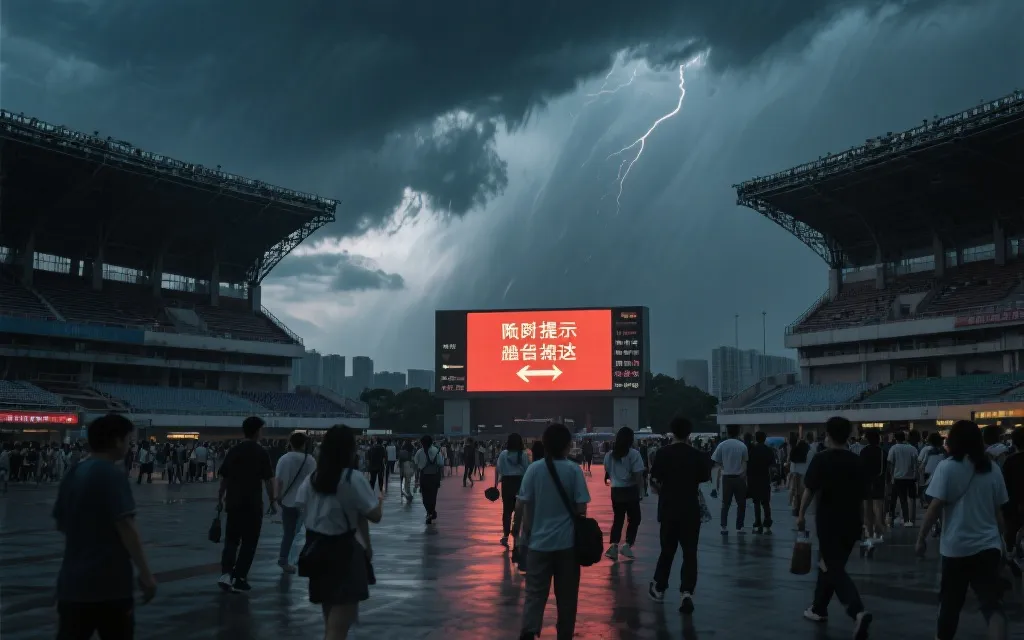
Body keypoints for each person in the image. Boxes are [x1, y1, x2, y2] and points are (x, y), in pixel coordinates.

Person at [54, 413, 156, 639]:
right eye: (129, 440)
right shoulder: (111, 474)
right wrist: (146, 574)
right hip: (109, 585)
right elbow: (126, 527)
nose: (130, 446)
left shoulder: (73, 473)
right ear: (117, 441)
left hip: (71, 584)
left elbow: (62, 523)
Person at [917, 420, 1009, 640]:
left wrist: (921, 537)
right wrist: (1003, 541)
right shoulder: (992, 469)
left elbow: (935, 507)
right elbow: (998, 513)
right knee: (992, 605)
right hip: (988, 546)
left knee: (950, 603)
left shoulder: (947, 468)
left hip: (956, 548)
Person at [295, 426, 384, 640]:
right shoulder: (351, 478)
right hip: (343, 551)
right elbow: (374, 515)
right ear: (350, 450)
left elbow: (300, 506)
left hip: (316, 549)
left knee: (330, 618)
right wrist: (378, 500)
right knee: (340, 624)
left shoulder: (313, 479)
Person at [798, 416, 872, 639]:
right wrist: (868, 523)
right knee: (829, 564)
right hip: (852, 522)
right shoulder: (857, 461)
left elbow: (809, 489)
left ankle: (857, 610)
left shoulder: (821, 459)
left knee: (833, 567)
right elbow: (865, 497)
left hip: (828, 520)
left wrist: (800, 514)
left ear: (827, 434)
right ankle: (818, 608)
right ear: (849, 435)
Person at [518, 423, 590, 640]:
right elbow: (581, 507)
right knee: (567, 597)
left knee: (534, 594)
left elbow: (526, 507)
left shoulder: (534, 469)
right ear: (568, 445)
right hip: (567, 545)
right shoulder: (573, 470)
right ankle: (564, 634)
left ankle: (529, 631)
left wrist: (525, 536)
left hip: (538, 544)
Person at [648, 416, 711, 613]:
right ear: (689, 433)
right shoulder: (697, 455)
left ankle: (659, 586)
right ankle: (686, 592)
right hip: (690, 508)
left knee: (667, 549)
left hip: (668, 508)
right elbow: (704, 477)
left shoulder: (662, 453)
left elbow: (655, 480)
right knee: (690, 552)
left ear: (672, 431)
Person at [217, 416, 275, 593]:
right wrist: (272, 500)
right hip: (253, 504)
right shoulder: (262, 453)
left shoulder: (233, 451)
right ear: (257, 431)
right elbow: (268, 481)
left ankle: (226, 574)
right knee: (249, 542)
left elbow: (224, 479)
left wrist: (219, 499)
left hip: (233, 502)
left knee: (232, 539)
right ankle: (240, 576)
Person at [275, 431, 317, 574]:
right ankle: (309, 558)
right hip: (306, 502)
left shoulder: (284, 459)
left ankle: (283, 559)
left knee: (289, 533)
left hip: (288, 501)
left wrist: (277, 497)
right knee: (311, 532)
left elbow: (279, 481)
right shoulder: (310, 460)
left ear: (290, 443)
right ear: (305, 444)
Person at [603, 426, 645, 561]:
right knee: (635, 518)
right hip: (630, 490)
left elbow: (608, 471)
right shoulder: (634, 454)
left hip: (616, 490)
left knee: (618, 518)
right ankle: (627, 544)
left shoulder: (609, 455)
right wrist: (641, 492)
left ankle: (614, 546)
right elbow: (638, 475)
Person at [711, 425, 748, 535]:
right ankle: (739, 527)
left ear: (727, 432)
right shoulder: (742, 446)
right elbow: (745, 462)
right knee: (741, 504)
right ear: (738, 433)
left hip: (726, 477)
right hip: (739, 477)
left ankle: (724, 527)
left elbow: (716, 461)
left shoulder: (722, 445)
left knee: (725, 503)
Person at [495, 433, 529, 551]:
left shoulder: (503, 454)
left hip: (507, 483)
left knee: (507, 510)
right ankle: (517, 532)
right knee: (520, 510)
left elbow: (498, 469)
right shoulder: (523, 455)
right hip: (520, 483)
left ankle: (505, 534)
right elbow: (527, 470)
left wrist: (496, 484)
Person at [859, 430, 887, 548]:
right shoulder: (882, 452)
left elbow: (860, 468)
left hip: (865, 483)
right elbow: (885, 468)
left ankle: (869, 535)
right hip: (878, 482)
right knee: (878, 509)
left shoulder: (863, 451)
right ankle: (879, 533)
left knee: (867, 511)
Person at [747, 431, 776, 535]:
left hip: (754, 479)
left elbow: (748, 465)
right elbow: (772, 467)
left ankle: (757, 523)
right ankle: (767, 524)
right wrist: (772, 479)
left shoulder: (752, 450)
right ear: (765, 438)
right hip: (765, 479)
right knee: (766, 503)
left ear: (756, 438)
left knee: (756, 503)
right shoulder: (769, 450)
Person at [414, 435, 444, 524]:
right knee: (433, 496)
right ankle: (431, 512)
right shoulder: (436, 451)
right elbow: (441, 464)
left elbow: (416, 465)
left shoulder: (419, 452)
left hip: (424, 476)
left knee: (425, 497)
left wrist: (416, 478)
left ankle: (429, 512)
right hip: (434, 476)